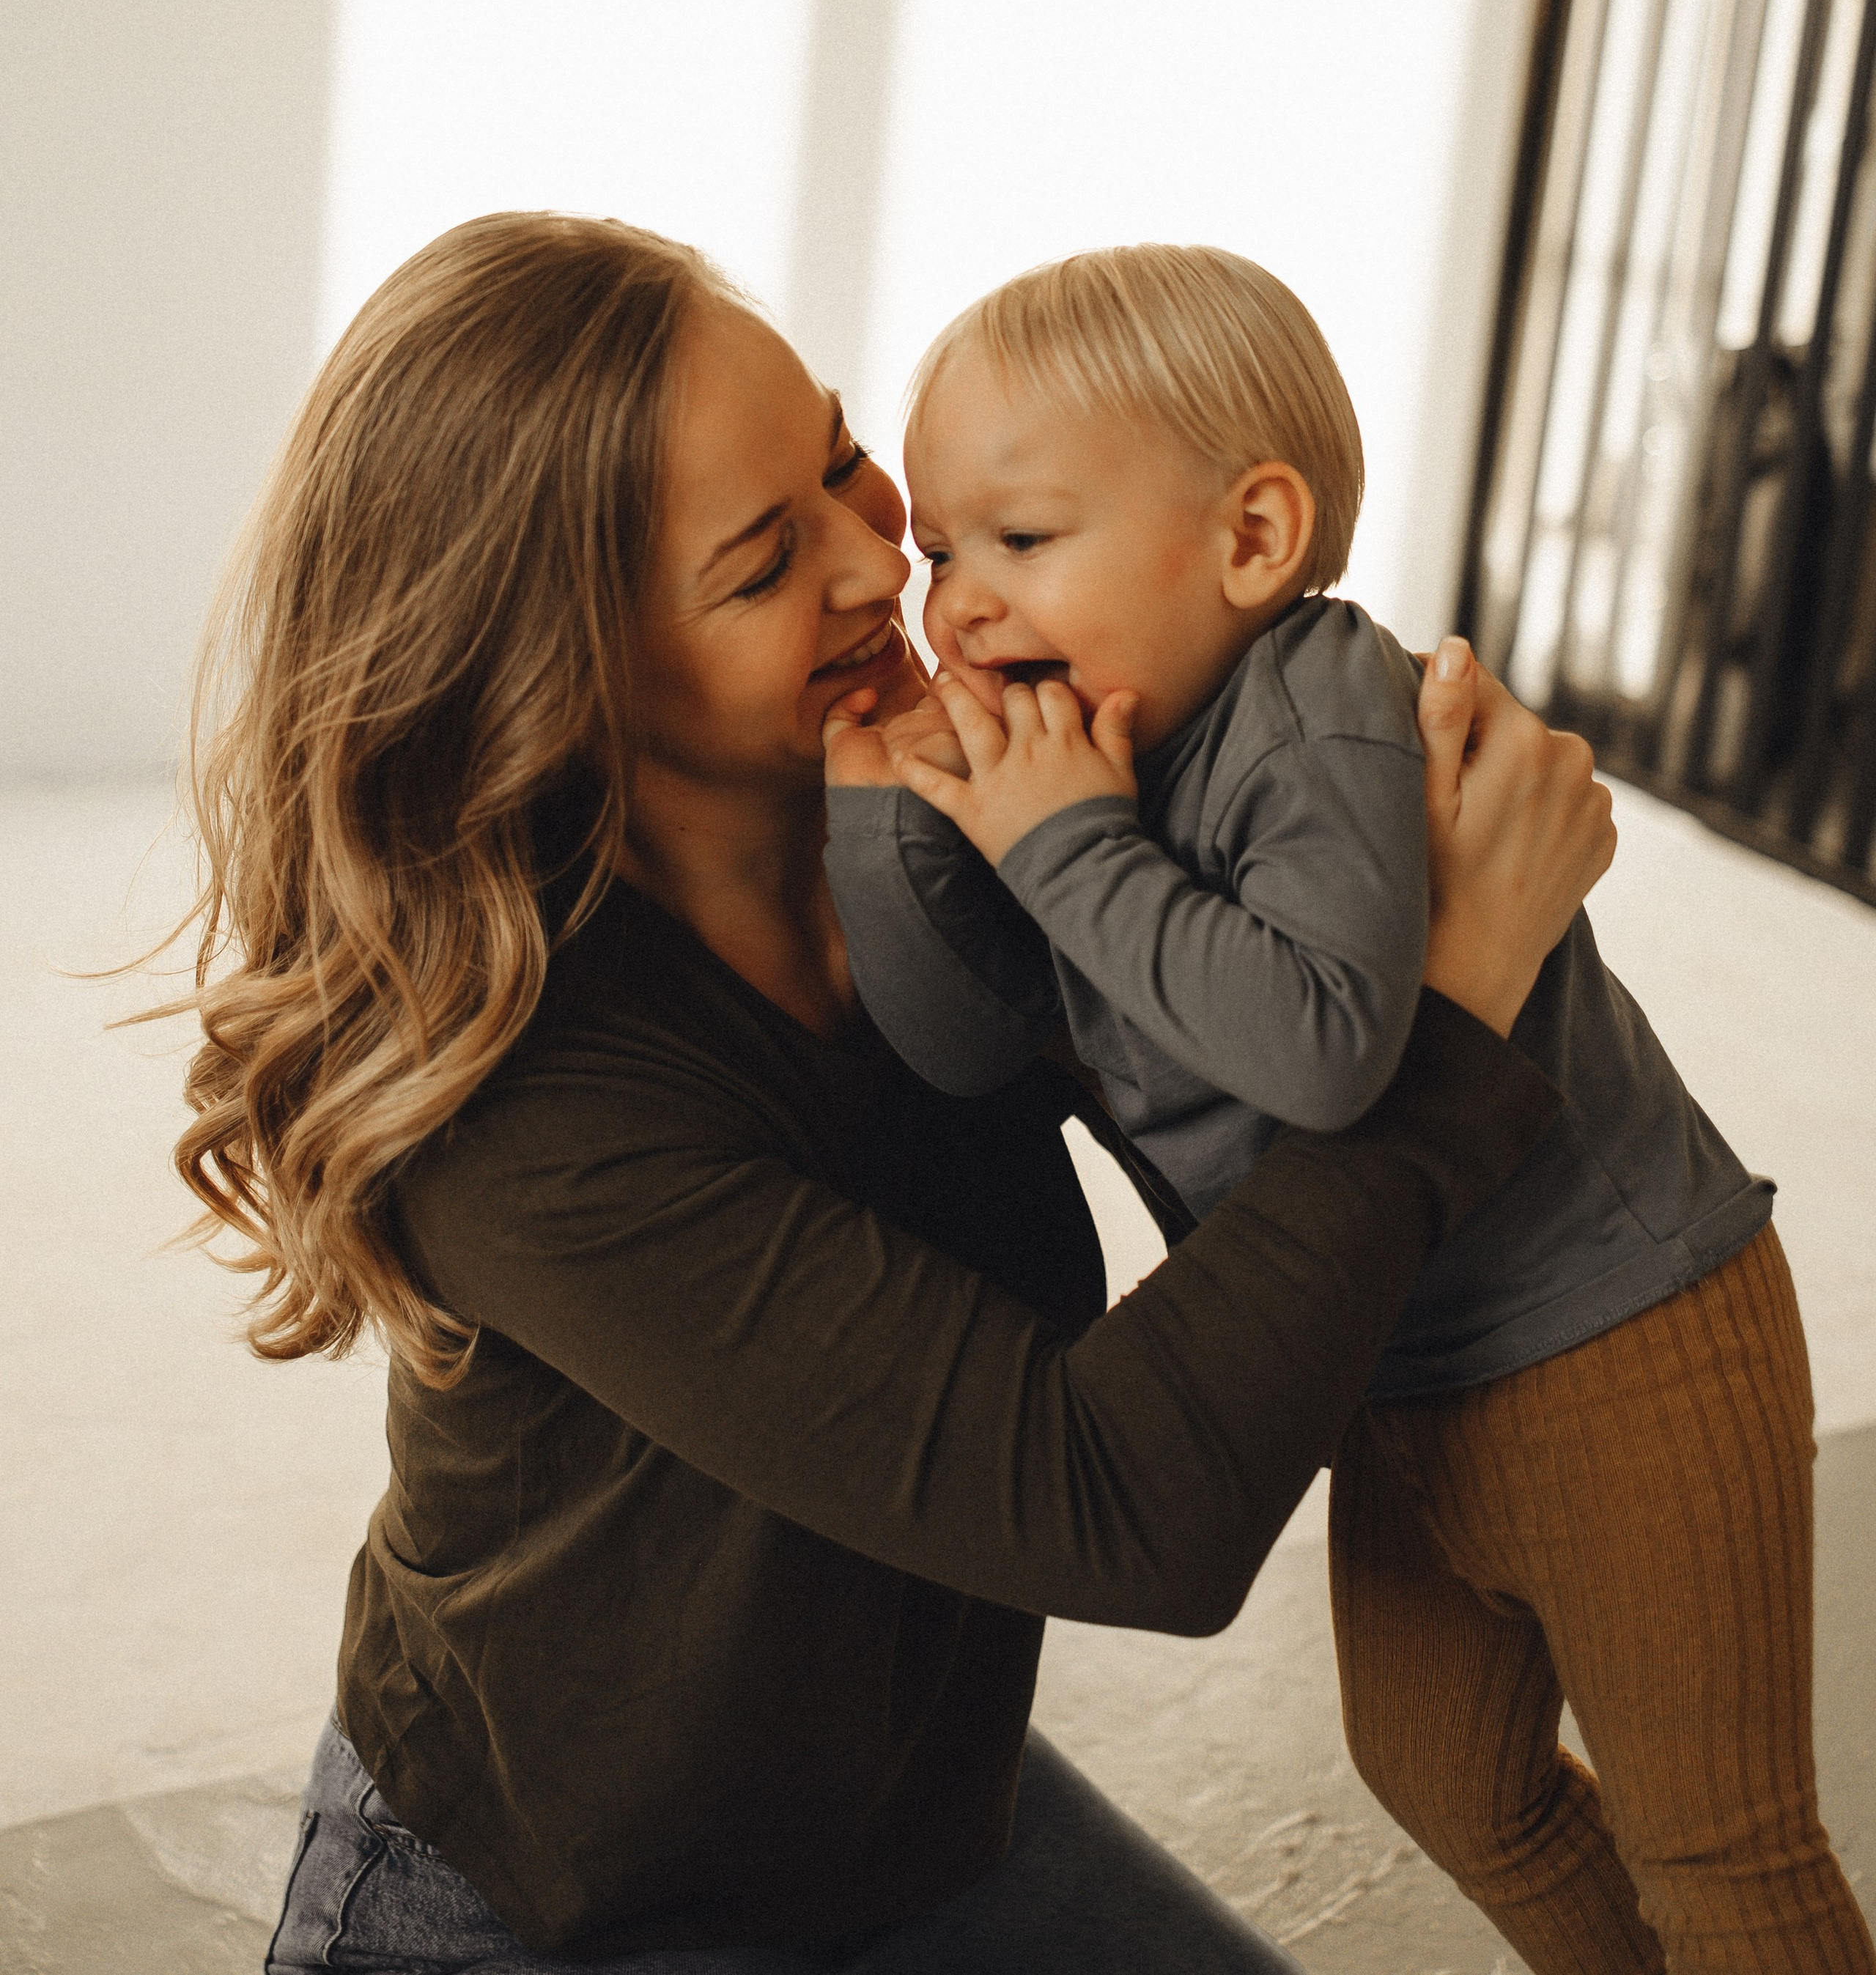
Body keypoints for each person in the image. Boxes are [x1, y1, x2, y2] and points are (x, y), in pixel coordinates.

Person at [171, 212, 1606, 1975]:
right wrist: (1450, 1018)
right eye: (766, 561)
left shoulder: (966, 809)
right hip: (563, 1908)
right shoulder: (529, 1102)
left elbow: (1259, 1040)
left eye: (845, 458)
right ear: (569, 676)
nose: (884, 562)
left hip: (912, 1820)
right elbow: (1125, 1501)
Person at [822, 241, 1872, 1975]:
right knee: (1448, 1778)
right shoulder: (1080, 761)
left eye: (1018, 540)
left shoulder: (1317, 703)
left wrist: (1059, 845)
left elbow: (1323, 1045)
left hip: (1621, 1337)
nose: (959, 602)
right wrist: (894, 808)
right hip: (1392, 1365)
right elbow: (957, 1044)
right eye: (942, 552)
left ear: (1250, 539)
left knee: (1723, 1850)